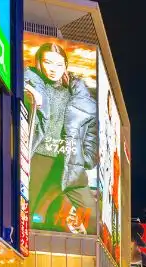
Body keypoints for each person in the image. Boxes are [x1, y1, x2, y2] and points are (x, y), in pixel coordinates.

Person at [23, 41, 97, 234]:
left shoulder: (78, 93)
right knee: (31, 214)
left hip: (69, 161)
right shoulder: (30, 85)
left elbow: (91, 129)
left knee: (92, 215)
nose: (53, 69)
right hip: (39, 157)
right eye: (48, 62)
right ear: (39, 62)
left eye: (58, 64)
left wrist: (87, 157)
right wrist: (30, 97)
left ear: (65, 65)